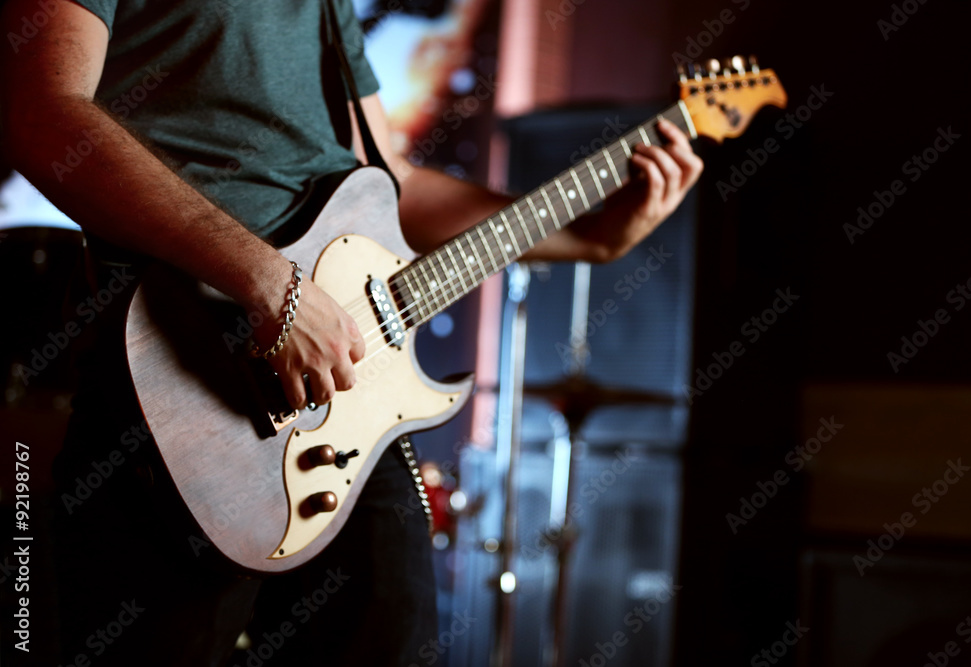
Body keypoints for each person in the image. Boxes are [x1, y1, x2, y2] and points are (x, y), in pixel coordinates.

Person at [0, 0, 702, 664]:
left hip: (346, 399)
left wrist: (589, 240)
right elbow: (42, 112)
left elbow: (392, 186)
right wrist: (269, 284)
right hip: (183, 370)